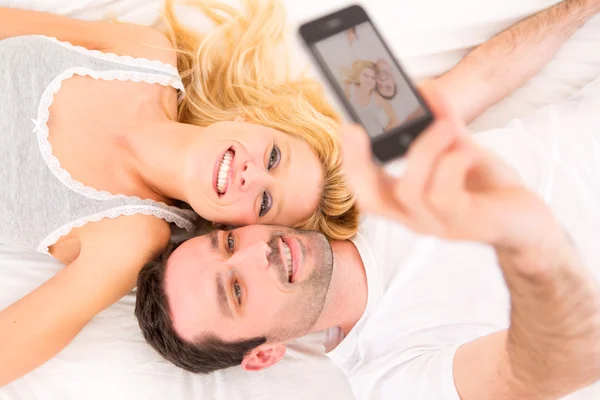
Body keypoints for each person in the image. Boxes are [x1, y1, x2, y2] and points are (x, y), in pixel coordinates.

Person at [135, 1, 600, 398]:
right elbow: (554, 367)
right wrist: (529, 241)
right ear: (263, 355)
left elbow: (483, 76)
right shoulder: (391, 378)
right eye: (236, 291)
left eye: (230, 244)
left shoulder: (340, 165)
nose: (260, 252)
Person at [0, 0, 359, 386]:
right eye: (274, 156)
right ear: (250, 121)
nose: (251, 175)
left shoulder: (131, 237)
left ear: (231, 226)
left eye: (265, 202)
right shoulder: (143, 51)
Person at [343, 60, 400, 134]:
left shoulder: (377, 98)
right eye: (365, 75)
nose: (369, 80)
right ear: (359, 76)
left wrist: (384, 134)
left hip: (374, 135)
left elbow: (395, 119)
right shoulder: (349, 89)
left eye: (373, 78)